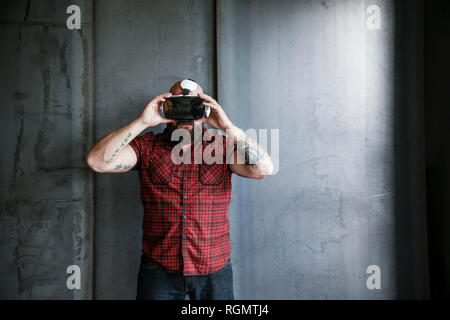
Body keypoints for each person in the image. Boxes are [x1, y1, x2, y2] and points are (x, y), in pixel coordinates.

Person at [86, 79, 274, 300]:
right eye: (178, 105)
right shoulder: (147, 147)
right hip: (159, 270)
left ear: (205, 108)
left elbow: (264, 169)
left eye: (193, 105)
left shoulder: (222, 147)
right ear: (166, 106)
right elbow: (97, 162)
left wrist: (227, 127)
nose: (186, 115)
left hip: (214, 268)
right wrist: (143, 121)